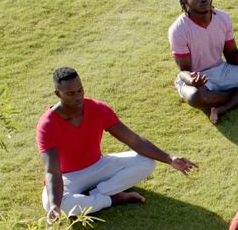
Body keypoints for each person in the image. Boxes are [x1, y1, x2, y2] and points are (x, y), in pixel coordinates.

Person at [37, 67, 198, 220]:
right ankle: (113, 199)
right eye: (71, 93)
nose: (78, 97)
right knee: (52, 204)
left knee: (147, 163)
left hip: (99, 165)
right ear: (58, 94)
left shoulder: (97, 109)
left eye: (80, 90)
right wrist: (54, 206)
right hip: (68, 177)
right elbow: (52, 171)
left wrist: (169, 158)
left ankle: (96, 195)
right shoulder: (47, 124)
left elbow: (132, 140)